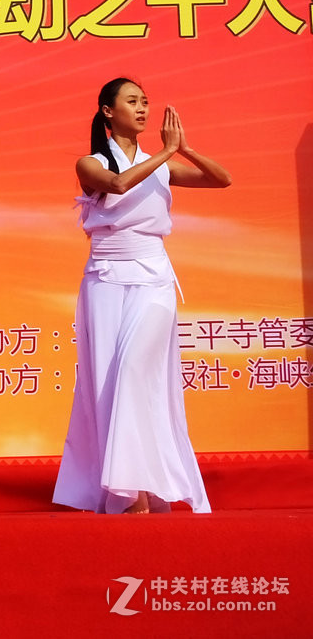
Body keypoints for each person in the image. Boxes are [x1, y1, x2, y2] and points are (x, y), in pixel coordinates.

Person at [53, 77, 231, 515]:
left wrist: (183, 148)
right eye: (132, 101)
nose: (143, 109)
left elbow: (221, 179)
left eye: (145, 102)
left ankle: (139, 486)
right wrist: (166, 154)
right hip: (106, 281)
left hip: (154, 278)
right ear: (108, 111)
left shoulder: (161, 164)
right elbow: (117, 185)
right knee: (109, 381)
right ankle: (130, 493)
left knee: (136, 372)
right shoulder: (90, 163)